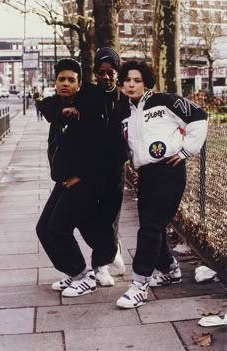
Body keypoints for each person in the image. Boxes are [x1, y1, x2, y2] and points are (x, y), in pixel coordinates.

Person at [106, 60, 208, 309]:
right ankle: (169, 269)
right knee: (154, 226)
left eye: (137, 80)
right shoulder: (124, 110)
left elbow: (199, 116)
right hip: (146, 175)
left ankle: (139, 284)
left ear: (146, 82)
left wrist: (186, 151)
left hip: (169, 171)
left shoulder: (165, 101)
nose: (131, 84)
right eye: (127, 80)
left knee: (150, 227)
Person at [51, 48, 129, 289]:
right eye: (100, 72)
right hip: (92, 169)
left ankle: (100, 266)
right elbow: (58, 105)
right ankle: (107, 252)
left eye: (111, 72)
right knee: (86, 217)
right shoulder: (88, 94)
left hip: (114, 170)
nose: (105, 77)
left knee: (108, 218)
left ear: (118, 74)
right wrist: (70, 111)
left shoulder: (125, 100)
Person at [36, 58, 111, 297]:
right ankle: (72, 272)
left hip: (87, 180)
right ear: (55, 82)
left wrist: (80, 175)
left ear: (79, 84)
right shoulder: (57, 107)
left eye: (71, 80)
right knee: (43, 229)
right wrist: (61, 110)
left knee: (59, 228)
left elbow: (101, 149)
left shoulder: (87, 106)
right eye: (61, 79)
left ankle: (83, 276)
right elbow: (47, 106)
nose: (65, 84)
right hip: (65, 179)